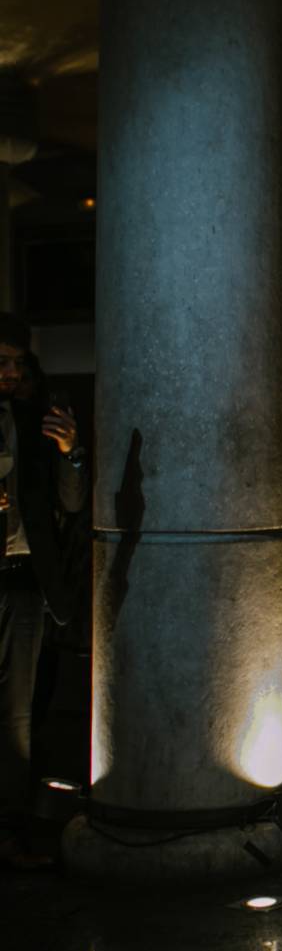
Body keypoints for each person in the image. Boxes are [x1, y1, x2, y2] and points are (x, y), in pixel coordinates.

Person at [0, 316, 86, 871]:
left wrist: (71, 452)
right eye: (1, 363)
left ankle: (10, 830)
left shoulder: (33, 419)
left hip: (24, 577)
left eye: (17, 363)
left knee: (16, 713)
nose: (10, 373)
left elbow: (71, 502)